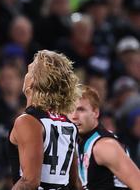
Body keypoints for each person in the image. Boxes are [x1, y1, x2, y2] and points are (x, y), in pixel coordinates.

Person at [8, 50, 82, 189]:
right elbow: (75, 184)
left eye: (29, 71)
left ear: (34, 82)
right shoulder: (69, 125)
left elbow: (30, 182)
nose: (25, 75)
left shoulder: (28, 121)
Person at [70, 86, 140, 189]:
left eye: (81, 110)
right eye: (70, 110)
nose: (74, 116)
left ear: (95, 112)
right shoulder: (79, 142)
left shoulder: (104, 146)